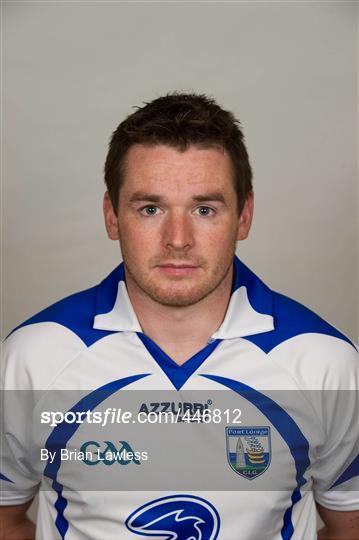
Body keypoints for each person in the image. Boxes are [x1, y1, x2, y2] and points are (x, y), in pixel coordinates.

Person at [1, 93, 358, 540]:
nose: (178, 239)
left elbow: (349, 525)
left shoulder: (323, 363)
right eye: (150, 209)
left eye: (204, 209)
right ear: (112, 216)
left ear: (243, 217)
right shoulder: (34, 358)